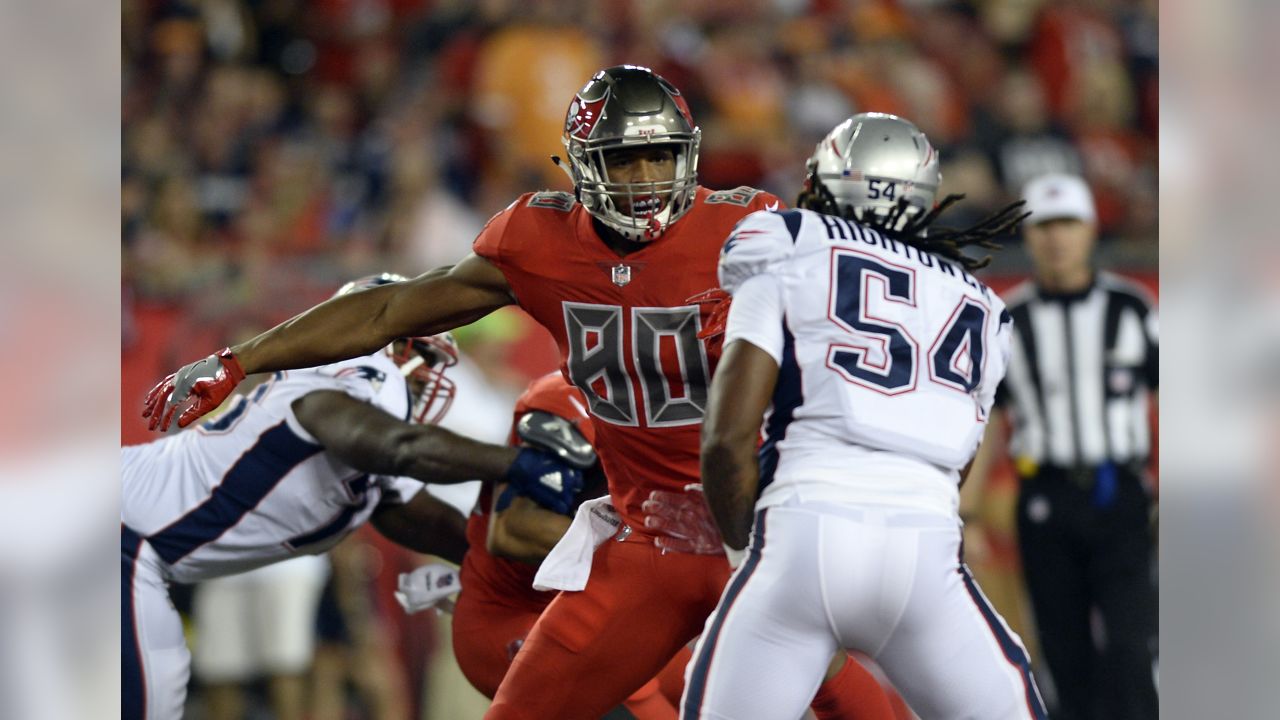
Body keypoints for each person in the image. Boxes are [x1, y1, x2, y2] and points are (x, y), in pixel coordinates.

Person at [142, 66, 895, 720]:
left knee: (837, 673)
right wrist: (241, 359)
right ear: (580, 166)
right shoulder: (537, 245)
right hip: (648, 543)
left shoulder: (750, 230)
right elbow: (389, 309)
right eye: (623, 162)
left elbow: (857, 334)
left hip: (753, 518)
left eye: (660, 157)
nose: (644, 181)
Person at [688, 112, 1048, 720]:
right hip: (926, 551)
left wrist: (739, 550)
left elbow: (727, 440)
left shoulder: (788, 240)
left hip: (804, 531)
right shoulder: (983, 304)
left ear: (828, 182)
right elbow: (958, 466)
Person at [123, 273, 584, 720]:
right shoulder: (354, 378)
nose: (430, 376)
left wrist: (560, 566)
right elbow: (400, 448)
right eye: (423, 354)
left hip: (134, 538)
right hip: (122, 533)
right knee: (148, 697)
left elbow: (437, 526)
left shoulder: (364, 423)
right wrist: (519, 464)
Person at [965, 172, 1159, 720]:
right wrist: (971, 512)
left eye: (1067, 224)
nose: (1056, 238)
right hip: (1044, 497)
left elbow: (1167, 400)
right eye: (1045, 226)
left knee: (1129, 648)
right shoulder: (1009, 321)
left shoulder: (1132, 307)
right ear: (1028, 237)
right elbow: (994, 423)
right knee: (1063, 652)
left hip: (1119, 493)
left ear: (1091, 230)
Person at [450, 370, 690, 720]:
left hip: (608, 613)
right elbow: (512, 529)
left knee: (732, 690)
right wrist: (633, 550)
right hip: (514, 613)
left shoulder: (688, 403)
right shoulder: (571, 399)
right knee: (641, 708)